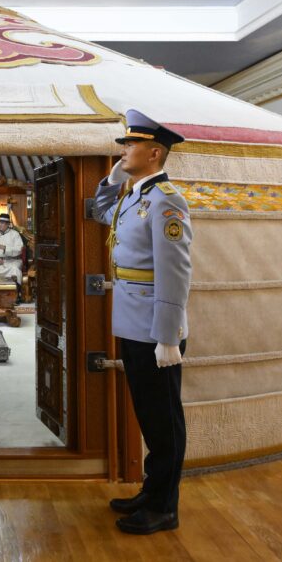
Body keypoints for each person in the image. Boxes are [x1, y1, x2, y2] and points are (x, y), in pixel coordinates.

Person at [94, 108, 192, 535]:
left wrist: (167, 337)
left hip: (156, 329)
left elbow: (175, 271)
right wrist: (114, 177)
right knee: (148, 415)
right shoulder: (135, 196)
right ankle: (152, 492)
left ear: (154, 153)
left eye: (130, 145)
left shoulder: (168, 202)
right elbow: (99, 211)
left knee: (164, 420)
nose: (123, 150)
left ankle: (165, 508)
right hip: (132, 322)